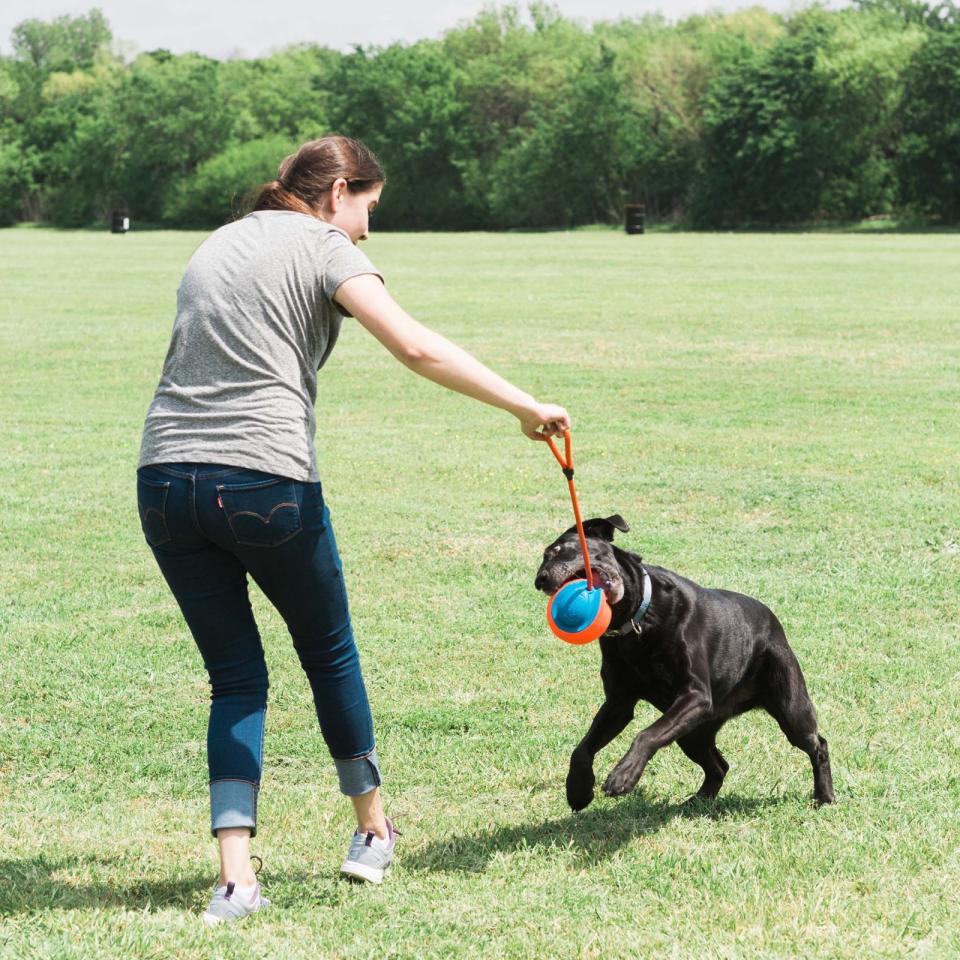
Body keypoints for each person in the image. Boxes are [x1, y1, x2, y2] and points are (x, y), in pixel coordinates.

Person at [135, 135, 570, 926]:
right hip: (263, 481)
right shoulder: (325, 244)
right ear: (338, 191)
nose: (369, 225)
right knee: (328, 650)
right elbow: (414, 344)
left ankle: (235, 885)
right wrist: (526, 405)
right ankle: (372, 832)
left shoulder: (222, 239)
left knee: (235, 678)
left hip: (164, 483)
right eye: (369, 205)